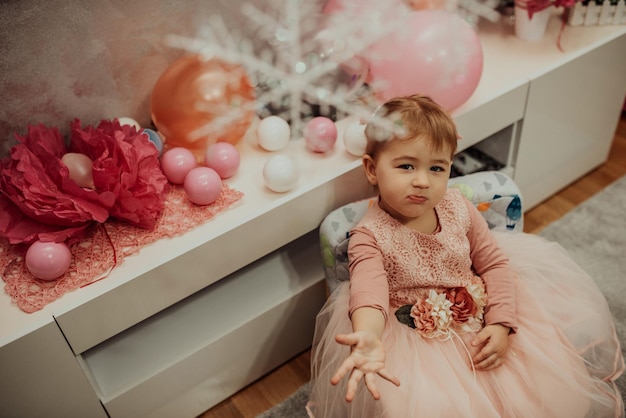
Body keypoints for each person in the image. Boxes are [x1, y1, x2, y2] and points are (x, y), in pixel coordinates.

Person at [306, 94, 625, 418]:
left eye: (436, 168)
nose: (422, 180)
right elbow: (369, 295)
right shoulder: (369, 236)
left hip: (479, 313)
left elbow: (495, 263)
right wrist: (369, 336)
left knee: (537, 390)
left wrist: (502, 323)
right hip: (418, 341)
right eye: (406, 166)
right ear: (372, 169)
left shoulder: (459, 207)